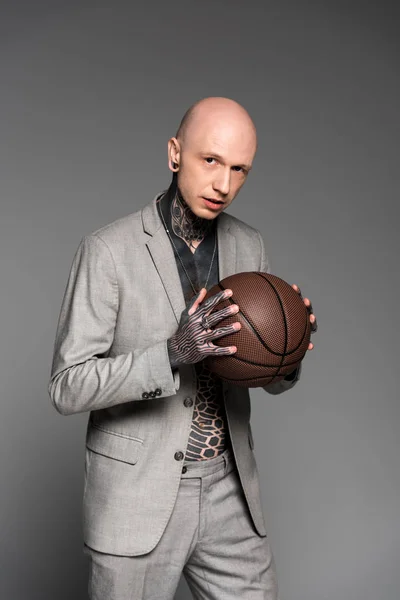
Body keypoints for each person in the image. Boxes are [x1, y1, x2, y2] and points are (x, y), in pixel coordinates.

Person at [48, 96, 317, 600]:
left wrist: (289, 351)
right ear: (175, 153)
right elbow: (66, 386)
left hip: (229, 490)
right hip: (140, 496)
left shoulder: (250, 245)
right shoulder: (108, 251)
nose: (224, 184)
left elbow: (259, 371)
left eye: (240, 170)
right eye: (210, 160)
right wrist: (171, 352)